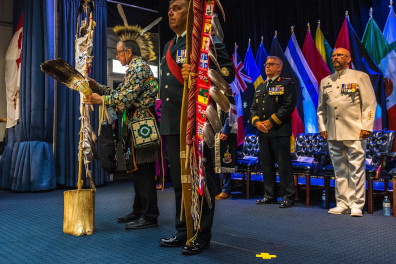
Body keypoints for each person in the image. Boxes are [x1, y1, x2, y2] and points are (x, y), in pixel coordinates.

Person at [159, 0, 234, 255]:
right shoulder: (170, 46)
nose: (171, 12)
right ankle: (184, 230)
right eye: (169, 8)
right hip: (173, 123)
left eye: (177, 7)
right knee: (180, 182)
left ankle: (201, 234)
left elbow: (227, 73)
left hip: (198, 122)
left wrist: (203, 71)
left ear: (192, 12)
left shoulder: (206, 43)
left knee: (201, 180)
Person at [85, 25, 160, 229]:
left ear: (128, 52)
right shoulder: (134, 69)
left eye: (118, 52)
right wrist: (97, 87)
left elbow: (125, 97)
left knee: (144, 170)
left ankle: (150, 215)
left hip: (142, 126)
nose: (117, 56)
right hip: (135, 124)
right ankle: (139, 210)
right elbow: (120, 93)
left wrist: (102, 99)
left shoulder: (139, 68)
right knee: (137, 170)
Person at [317, 48, 376, 217]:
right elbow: (321, 109)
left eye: (340, 55)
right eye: (334, 55)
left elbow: (369, 104)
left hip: (355, 130)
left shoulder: (360, 76)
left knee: (356, 168)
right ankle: (342, 202)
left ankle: (357, 204)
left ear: (348, 58)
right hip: (333, 132)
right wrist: (322, 128)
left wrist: (367, 126)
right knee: (340, 170)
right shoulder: (325, 81)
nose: (335, 58)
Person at [250, 56, 297, 208]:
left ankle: (287, 197)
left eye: (272, 64)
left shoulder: (286, 83)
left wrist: (271, 122)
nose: (268, 66)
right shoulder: (260, 87)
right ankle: (269, 195)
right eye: (266, 64)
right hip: (263, 132)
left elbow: (288, 106)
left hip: (279, 131)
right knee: (266, 165)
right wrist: (257, 122)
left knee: (283, 165)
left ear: (279, 68)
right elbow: (253, 109)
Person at [216, 107, 238, 200]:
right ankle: (216, 188)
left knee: (226, 160)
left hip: (226, 133)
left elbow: (231, 113)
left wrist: (225, 131)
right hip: (215, 131)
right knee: (215, 161)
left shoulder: (228, 93)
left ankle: (226, 190)